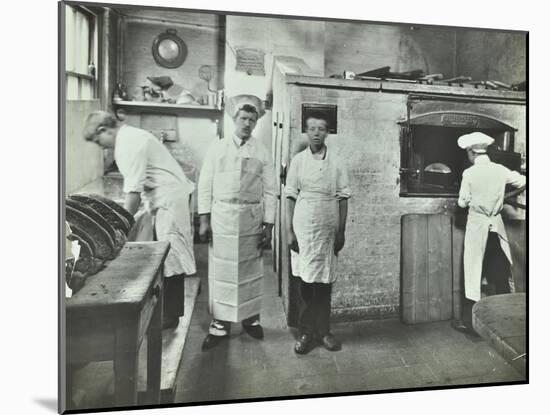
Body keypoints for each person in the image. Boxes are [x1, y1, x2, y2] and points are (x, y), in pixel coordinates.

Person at [83, 111, 197, 329]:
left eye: (100, 142)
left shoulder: (128, 143)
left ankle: (170, 316)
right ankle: (168, 311)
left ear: (103, 130)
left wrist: (121, 227)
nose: (102, 147)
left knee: (172, 256)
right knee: (168, 255)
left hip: (168, 200)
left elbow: (133, 191)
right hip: (164, 198)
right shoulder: (131, 136)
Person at [197, 98, 277, 351]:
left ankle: (251, 320)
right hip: (222, 217)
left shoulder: (262, 151)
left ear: (256, 123)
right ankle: (219, 325)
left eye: (252, 120)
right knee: (222, 272)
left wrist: (269, 225)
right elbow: (205, 185)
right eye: (243, 118)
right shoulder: (217, 148)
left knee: (250, 271)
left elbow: (271, 190)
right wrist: (203, 220)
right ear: (234, 119)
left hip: (251, 217)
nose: (247, 123)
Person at [285, 112, 351, 354]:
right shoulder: (298, 162)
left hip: (328, 225)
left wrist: (341, 231)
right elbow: (290, 197)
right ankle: (305, 333)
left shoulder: (337, 162)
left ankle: (323, 332)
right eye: (311, 128)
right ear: (306, 131)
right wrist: (290, 231)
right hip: (303, 225)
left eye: (321, 128)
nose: (315, 133)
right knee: (305, 281)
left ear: (327, 132)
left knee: (324, 282)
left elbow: (343, 198)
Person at [453, 131, 526, 332]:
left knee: (473, 272)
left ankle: (471, 325)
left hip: (478, 227)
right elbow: (524, 181)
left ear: (471, 152)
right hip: (495, 228)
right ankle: (504, 323)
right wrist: (504, 196)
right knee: (499, 273)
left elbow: (462, 202)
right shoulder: (500, 170)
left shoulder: (469, 173)